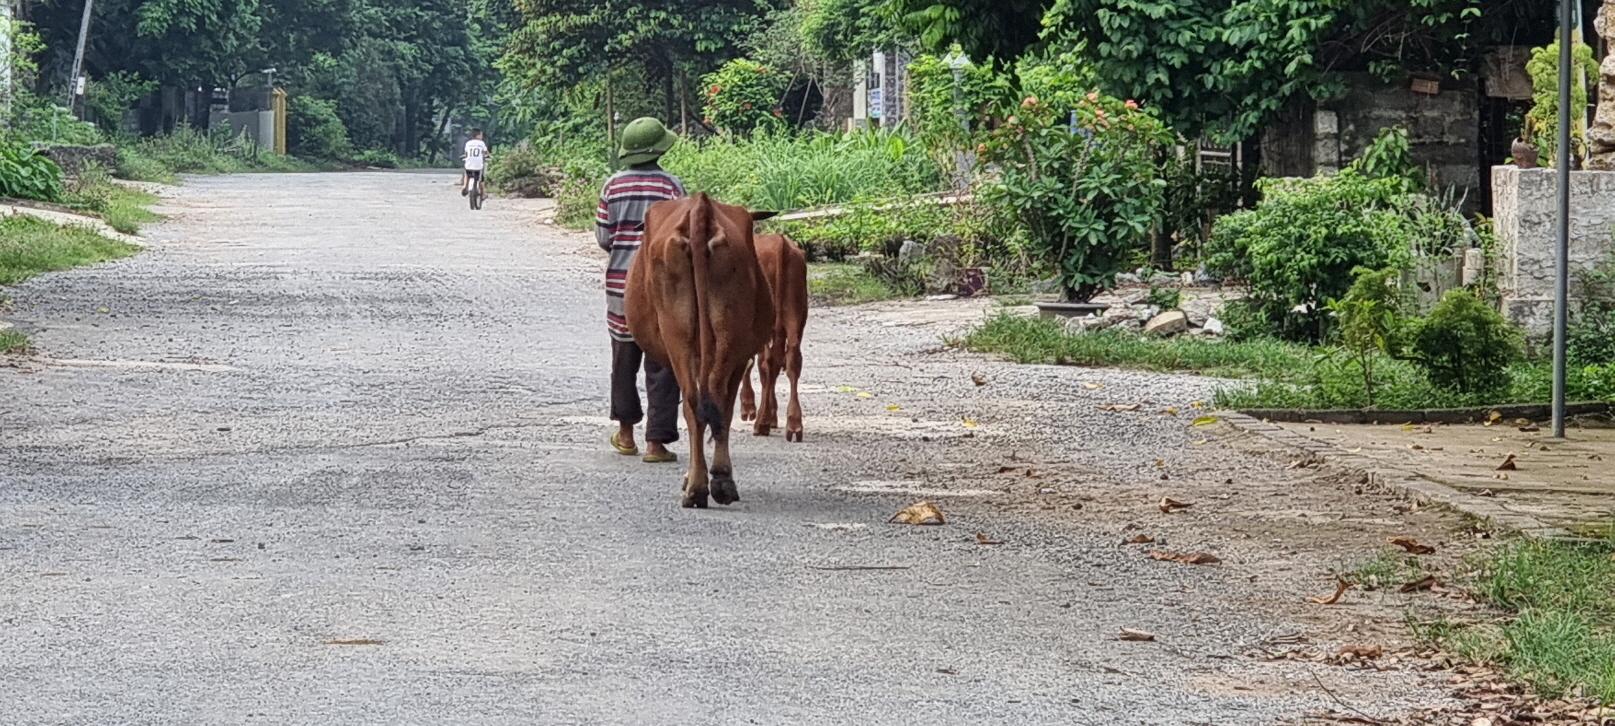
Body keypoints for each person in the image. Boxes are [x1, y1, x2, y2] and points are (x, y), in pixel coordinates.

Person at [597, 117, 684, 463]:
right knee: (663, 363)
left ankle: (625, 434)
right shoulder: (672, 187)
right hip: (665, 289)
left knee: (623, 360)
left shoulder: (611, 187)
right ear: (660, 149)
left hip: (621, 285)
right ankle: (656, 443)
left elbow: (604, 237)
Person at [461, 128, 488, 196]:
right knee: (481, 178)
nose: (482, 136)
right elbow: (486, 153)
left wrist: (464, 156)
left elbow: (466, 154)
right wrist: (488, 156)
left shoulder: (468, 143)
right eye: (481, 134)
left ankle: (465, 186)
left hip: (469, 165)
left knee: (467, 174)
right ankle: (483, 193)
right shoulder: (481, 143)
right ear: (477, 135)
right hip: (478, 165)